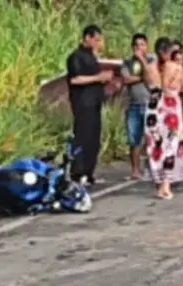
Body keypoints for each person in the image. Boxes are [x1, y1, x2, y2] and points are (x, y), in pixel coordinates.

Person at [142, 37, 183, 199]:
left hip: (153, 107)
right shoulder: (175, 67)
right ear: (169, 51)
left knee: (155, 147)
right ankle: (166, 185)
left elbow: (149, 87)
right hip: (170, 108)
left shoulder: (148, 68)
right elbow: (182, 87)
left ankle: (159, 182)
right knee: (170, 145)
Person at [66, 24, 112, 185]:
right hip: (82, 103)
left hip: (95, 103)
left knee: (94, 139)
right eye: (96, 40)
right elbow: (75, 79)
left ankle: (89, 172)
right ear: (87, 38)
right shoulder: (76, 57)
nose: (99, 44)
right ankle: (77, 173)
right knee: (82, 137)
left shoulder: (92, 57)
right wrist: (98, 77)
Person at [121, 33, 155, 180]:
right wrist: (143, 77)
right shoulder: (127, 62)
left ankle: (151, 167)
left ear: (147, 46)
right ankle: (135, 170)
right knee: (134, 139)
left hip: (150, 103)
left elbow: (152, 79)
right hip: (133, 104)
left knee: (151, 138)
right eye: (136, 45)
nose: (139, 48)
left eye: (142, 45)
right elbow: (126, 79)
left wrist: (142, 61)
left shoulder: (151, 59)